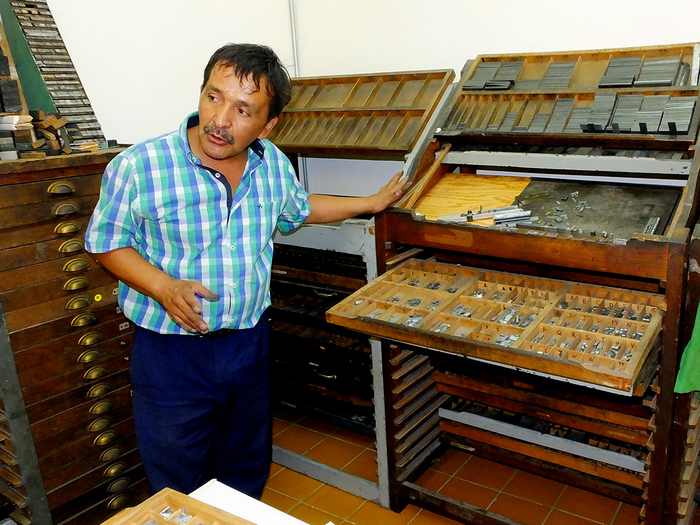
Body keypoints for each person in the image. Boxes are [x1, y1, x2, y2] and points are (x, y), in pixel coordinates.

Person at [84, 43, 405, 498]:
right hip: (171, 354)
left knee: (245, 465)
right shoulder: (140, 167)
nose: (220, 120)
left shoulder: (271, 164)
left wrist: (369, 204)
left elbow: (298, 207)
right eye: (213, 97)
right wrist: (162, 286)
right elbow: (105, 242)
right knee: (178, 476)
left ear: (268, 125)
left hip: (247, 344)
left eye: (242, 109)